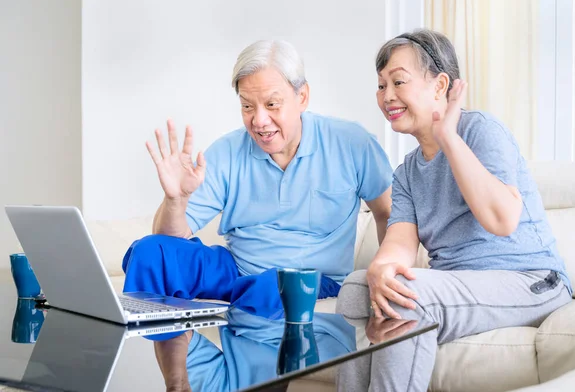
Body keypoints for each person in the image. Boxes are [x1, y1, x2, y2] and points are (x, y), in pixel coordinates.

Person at [122, 39, 393, 391]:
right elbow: (169, 239)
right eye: (247, 106)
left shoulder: (352, 144)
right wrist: (177, 199)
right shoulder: (228, 151)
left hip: (310, 278)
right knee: (149, 252)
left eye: (271, 104)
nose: (259, 120)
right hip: (237, 270)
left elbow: (388, 214)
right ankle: (177, 385)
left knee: (272, 288)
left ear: (303, 97)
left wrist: (386, 278)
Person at [335, 29, 572, 392]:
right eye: (381, 85)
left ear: (440, 85)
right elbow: (399, 246)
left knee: (408, 297)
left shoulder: (481, 131)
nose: (387, 96)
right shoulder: (407, 173)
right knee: (355, 288)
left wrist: (448, 136)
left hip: (531, 280)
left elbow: (502, 219)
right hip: (462, 286)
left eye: (398, 81)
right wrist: (381, 269)